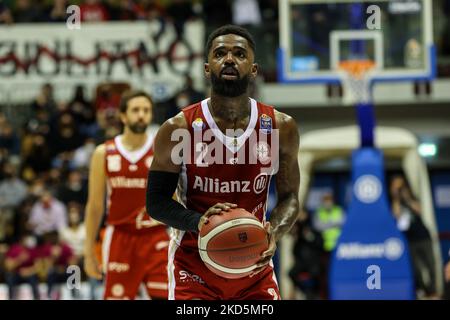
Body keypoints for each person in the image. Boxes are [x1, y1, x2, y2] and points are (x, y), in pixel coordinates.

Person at [146, 25, 300, 300]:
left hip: (255, 265)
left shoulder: (280, 126)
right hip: (192, 268)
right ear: (207, 68)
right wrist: (199, 221)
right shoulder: (178, 128)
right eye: (220, 54)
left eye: (239, 54)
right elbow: (156, 202)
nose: (229, 59)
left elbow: (290, 198)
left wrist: (272, 232)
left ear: (254, 69)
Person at [84, 90, 170, 300]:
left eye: (146, 110)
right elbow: (95, 206)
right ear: (123, 115)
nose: (141, 115)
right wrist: (88, 252)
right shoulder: (103, 152)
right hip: (120, 238)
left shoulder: (163, 151)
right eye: (135, 110)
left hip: (156, 236)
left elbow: (176, 199)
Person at [390, 175, 438, 299]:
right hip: (410, 240)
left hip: (423, 237)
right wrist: (397, 197)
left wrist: (406, 197)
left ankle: (433, 291)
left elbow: (419, 210)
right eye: (396, 186)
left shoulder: (411, 197)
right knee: (416, 269)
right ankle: (423, 290)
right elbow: (396, 215)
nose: (399, 189)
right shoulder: (395, 202)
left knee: (431, 265)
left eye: (401, 186)